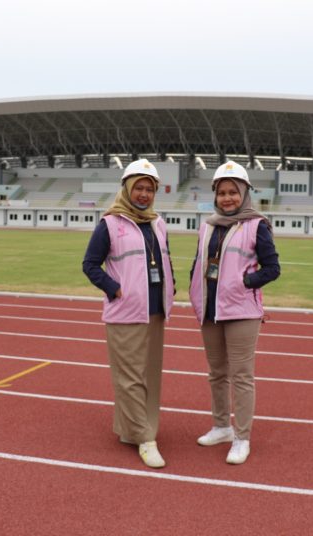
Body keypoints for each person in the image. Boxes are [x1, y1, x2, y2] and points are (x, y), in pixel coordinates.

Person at [82, 158, 175, 469]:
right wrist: (114, 288)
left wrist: (170, 292)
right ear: (126, 189)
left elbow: (164, 261)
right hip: (125, 311)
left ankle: (129, 430)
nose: (144, 194)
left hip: (156, 310)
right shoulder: (110, 224)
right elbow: (90, 265)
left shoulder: (158, 223)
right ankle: (145, 438)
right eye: (139, 188)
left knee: (149, 376)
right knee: (130, 378)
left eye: (149, 189)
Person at [189, 161, 280, 464]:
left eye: (233, 192)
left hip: (241, 311)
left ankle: (241, 437)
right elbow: (199, 263)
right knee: (216, 374)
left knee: (241, 376)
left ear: (244, 194)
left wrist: (245, 282)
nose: (227, 198)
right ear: (215, 195)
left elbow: (272, 269)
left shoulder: (257, 225)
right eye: (222, 192)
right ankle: (220, 426)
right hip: (210, 310)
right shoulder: (208, 225)